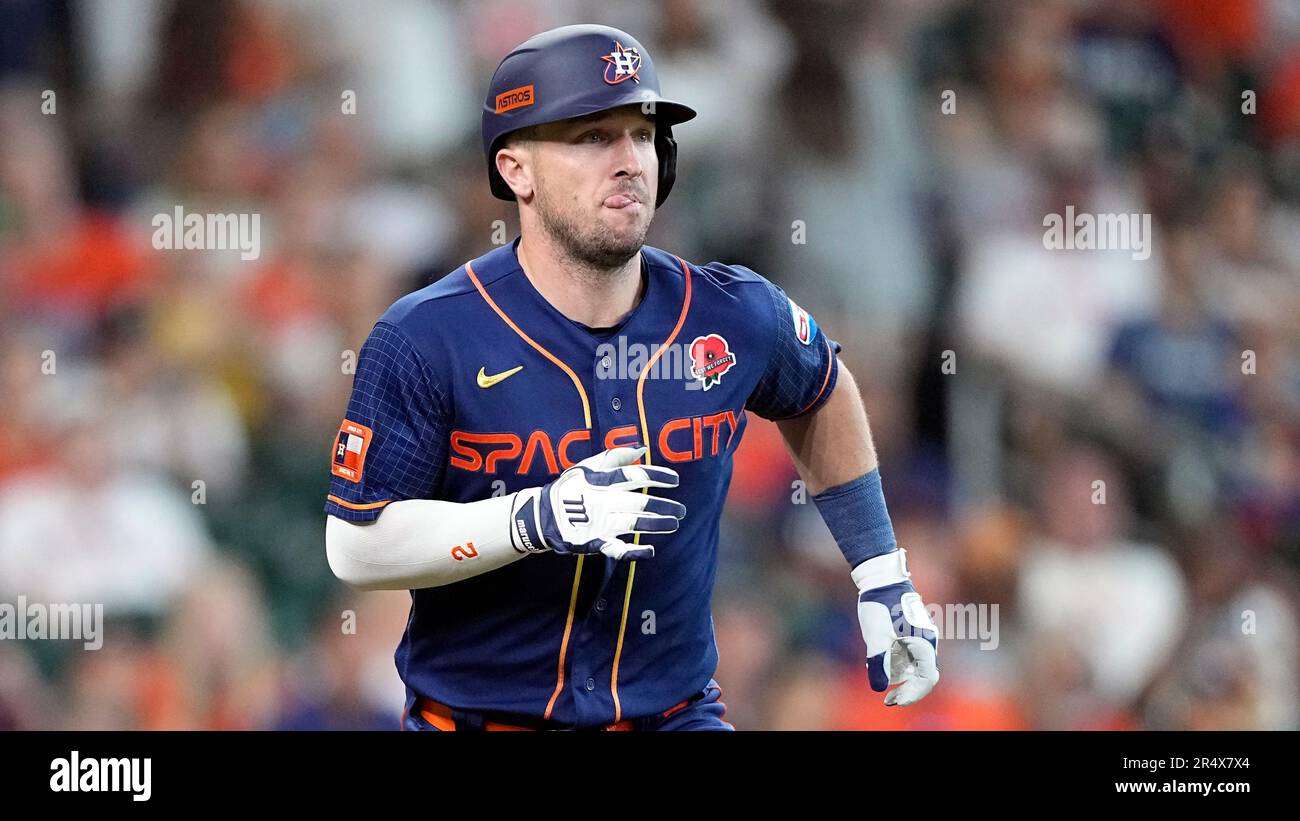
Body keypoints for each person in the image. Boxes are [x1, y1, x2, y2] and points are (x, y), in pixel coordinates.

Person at [323, 24, 938, 731]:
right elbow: (357, 545)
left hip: (673, 715)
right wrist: (535, 517)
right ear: (516, 169)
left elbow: (822, 389)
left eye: (643, 135)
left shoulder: (732, 313)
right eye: (592, 137)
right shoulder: (427, 336)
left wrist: (880, 571)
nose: (629, 160)